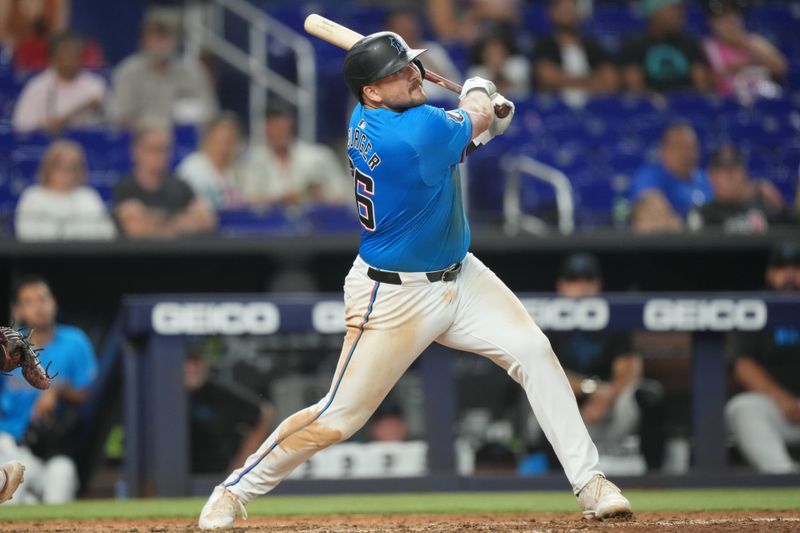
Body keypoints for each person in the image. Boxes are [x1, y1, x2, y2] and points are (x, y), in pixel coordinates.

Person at [198, 31, 631, 529]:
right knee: (339, 416)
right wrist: (479, 88)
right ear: (372, 93)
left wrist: (482, 123)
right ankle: (234, 490)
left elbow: (461, 142)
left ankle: (591, 482)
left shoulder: (374, 118)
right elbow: (469, 120)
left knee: (533, 351)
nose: (413, 74)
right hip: (393, 295)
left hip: (461, 275)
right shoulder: (413, 130)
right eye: (399, 72)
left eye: (411, 65)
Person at [527, 253, 665, 470]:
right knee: (545, 395)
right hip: (573, 407)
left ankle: (656, 477)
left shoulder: (613, 317)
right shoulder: (547, 323)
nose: (581, 288)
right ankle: (555, 478)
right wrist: (591, 389)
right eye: (574, 281)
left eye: (587, 281)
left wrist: (607, 394)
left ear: (598, 285)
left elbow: (629, 370)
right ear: (561, 286)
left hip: (611, 406)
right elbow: (543, 372)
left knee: (648, 394)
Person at [0, 276, 98, 503]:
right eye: (29, 301)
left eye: (43, 299)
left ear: (53, 303)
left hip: (54, 448)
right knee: (12, 476)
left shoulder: (75, 342)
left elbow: (90, 395)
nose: (39, 307)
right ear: (17, 310)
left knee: (62, 475)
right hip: (11, 443)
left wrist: (58, 390)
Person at [726, 242, 800, 473]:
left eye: (796, 267)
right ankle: (784, 477)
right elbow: (743, 364)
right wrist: (783, 400)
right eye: (781, 267)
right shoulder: (757, 308)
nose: (789, 274)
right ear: (770, 273)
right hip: (779, 410)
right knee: (743, 407)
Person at [107, 9, 217, 127]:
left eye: (163, 37)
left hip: (185, 138)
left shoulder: (192, 71)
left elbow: (209, 112)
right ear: (142, 41)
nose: (157, 43)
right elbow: (118, 116)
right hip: (140, 139)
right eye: (152, 37)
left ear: (176, 41)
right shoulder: (128, 72)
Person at [113, 119, 217, 238]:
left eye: (165, 149)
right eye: (153, 149)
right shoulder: (125, 187)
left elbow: (206, 221)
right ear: (137, 152)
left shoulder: (181, 186)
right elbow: (135, 229)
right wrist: (180, 221)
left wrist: (150, 219)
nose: (160, 156)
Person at [240, 104, 349, 208]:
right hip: (268, 224)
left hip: (316, 223)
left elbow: (343, 193)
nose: (279, 131)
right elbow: (247, 199)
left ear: (291, 125)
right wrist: (281, 199)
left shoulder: (318, 156)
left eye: (282, 126)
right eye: (274, 126)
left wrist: (321, 196)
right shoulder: (254, 160)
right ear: (266, 129)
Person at [185, 350, 272, 475]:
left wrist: (239, 469)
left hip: (213, 478)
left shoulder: (217, 393)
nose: (191, 368)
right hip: (167, 479)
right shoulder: (158, 394)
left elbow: (263, 414)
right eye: (186, 361)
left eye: (196, 361)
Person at [14, 140, 116, 241]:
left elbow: (106, 233)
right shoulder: (33, 196)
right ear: (48, 168)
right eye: (59, 166)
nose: (65, 173)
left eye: (72, 167)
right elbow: (25, 233)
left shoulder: (88, 196)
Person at [12, 31, 106, 134]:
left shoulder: (95, 85)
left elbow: (113, 127)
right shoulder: (37, 86)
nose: (71, 57)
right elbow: (22, 127)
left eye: (74, 52)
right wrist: (79, 109)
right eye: (66, 52)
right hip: (46, 146)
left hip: (89, 146)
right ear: (53, 56)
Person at [531, 0, 618, 108]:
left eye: (571, 9)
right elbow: (547, 79)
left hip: (594, 106)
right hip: (556, 107)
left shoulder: (593, 46)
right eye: (562, 10)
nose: (567, 13)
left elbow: (611, 81)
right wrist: (592, 81)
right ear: (551, 13)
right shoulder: (543, 46)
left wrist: (564, 80)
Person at [688, 144, 792, 233]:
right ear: (711, 176)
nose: (729, 175)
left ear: (744, 173)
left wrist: (779, 205)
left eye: (734, 169)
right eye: (721, 170)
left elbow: (790, 235)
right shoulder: (701, 214)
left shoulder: (764, 207)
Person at [629, 124, 711, 232]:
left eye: (691, 147)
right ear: (663, 151)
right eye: (678, 147)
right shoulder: (651, 176)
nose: (686, 153)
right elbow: (649, 209)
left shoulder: (706, 178)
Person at [703, 0, 786, 105]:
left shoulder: (754, 41)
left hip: (763, 97)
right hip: (730, 101)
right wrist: (734, 68)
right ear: (713, 24)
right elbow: (707, 83)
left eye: (731, 17)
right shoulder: (709, 46)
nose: (728, 23)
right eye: (722, 20)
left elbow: (780, 68)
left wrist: (745, 44)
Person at [620, 0, 711, 94]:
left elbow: (702, 87)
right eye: (673, 9)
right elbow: (635, 88)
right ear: (655, 13)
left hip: (686, 105)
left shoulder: (690, 44)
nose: (680, 14)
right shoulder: (633, 45)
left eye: (680, 9)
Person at [385, 7, 461, 103]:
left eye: (408, 25)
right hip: (412, 106)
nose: (406, 30)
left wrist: (425, 57)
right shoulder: (388, 58)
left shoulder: (433, 49)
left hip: (443, 105)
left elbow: (454, 83)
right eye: (401, 27)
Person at [176, 112, 246, 211]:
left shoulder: (236, 171)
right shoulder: (192, 167)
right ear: (209, 138)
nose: (225, 143)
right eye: (221, 138)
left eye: (229, 138)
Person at [467, 31, 530, 98]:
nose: (495, 56)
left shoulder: (518, 64)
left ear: (506, 51)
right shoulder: (476, 73)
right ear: (483, 55)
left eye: (498, 51)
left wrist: (499, 69)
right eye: (490, 52)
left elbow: (520, 88)